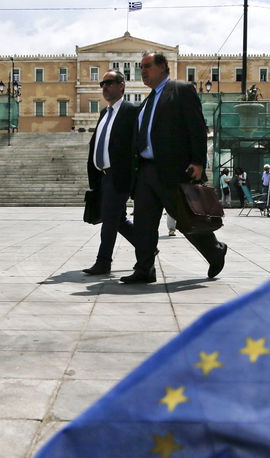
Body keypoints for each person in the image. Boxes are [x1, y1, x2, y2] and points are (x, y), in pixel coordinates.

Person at [121, 51, 227, 284]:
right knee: (143, 222)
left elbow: (197, 127)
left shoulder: (180, 90)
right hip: (146, 170)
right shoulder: (147, 101)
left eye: (147, 66)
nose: (143, 71)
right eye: (141, 67)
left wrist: (198, 161)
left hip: (174, 169)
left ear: (162, 67)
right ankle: (144, 268)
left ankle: (215, 250)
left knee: (186, 218)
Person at [82, 69, 139, 275]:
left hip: (120, 175)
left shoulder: (131, 110)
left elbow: (136, 144)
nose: (104, 87)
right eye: (102, 84)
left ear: (121, 85)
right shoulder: (104, 113)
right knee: (118, 219)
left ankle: (103, 261)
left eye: (109, 82)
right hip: (103, 176)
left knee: (109, 218)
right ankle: (147, 247)